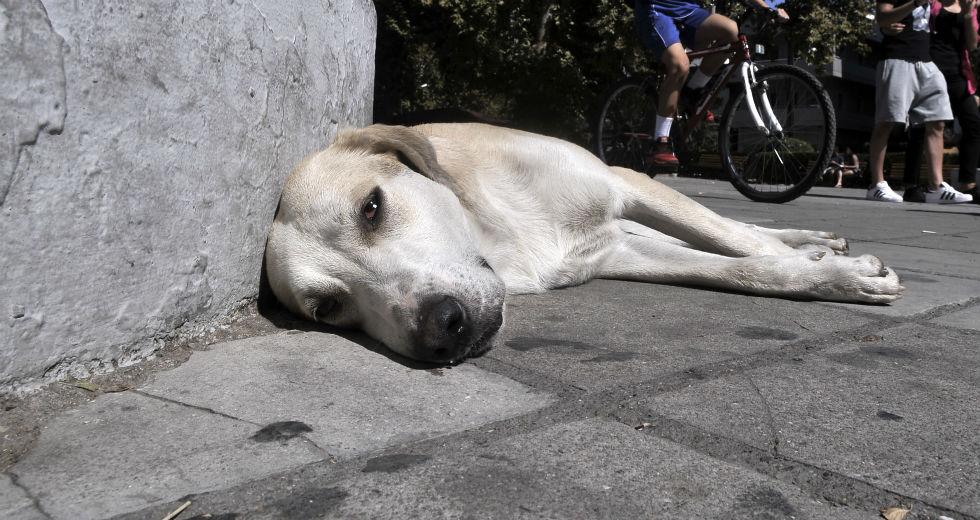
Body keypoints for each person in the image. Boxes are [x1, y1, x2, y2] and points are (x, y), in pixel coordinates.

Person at [633, 0, 790, 167]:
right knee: (680, 66)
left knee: (731, 32)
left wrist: (768, 9)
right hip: (657, 9)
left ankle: (692, 92)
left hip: (688, 10)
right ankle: (660, 142)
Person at [868, 1, 973, 203]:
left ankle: (936, 188)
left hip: (926, 62)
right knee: (887, 122)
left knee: (938, 120)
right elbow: (882, 18)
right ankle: (876, 184)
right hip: (897, 58)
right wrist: (911, 5)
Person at [900, 0, 980, 202]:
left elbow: (972, 45)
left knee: (973, 123)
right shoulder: (932, 5)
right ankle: (911, 185)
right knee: (921, 126)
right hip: (929, 67)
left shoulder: (969, 9)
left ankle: (967, 183)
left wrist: (969, 15)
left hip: (957, 74)